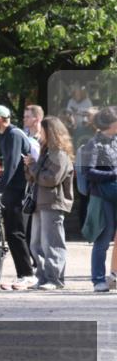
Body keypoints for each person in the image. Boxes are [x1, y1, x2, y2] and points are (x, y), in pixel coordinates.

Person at [0, 105, 36, 290]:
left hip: (18, 190)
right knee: (13, 233)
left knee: (16, 233)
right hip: (12, 189)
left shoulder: (13, 134)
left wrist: (1, 189)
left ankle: (27, 274)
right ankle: (24, 273)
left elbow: (13, 165)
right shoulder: (6, 135)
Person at [23, 116, 74, 290]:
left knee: (52, 243)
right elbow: (35, 177)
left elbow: (51, 179)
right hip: (40, 202)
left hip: (53, 203)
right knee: (36, 243)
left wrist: (34, 167)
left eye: (42, 129)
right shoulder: (46, 152)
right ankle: (43, 278)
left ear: (50, 131)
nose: (39, 132)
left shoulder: (59, 154)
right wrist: (30, 166)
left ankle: (55, 279)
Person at [80, 106, 117, 292]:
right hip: (103, 197)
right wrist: (113, 174)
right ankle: (98, 279)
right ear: (111, 124)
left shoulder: (115, 141)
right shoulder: (93, 144)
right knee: (102, 239)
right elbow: (88, 172)